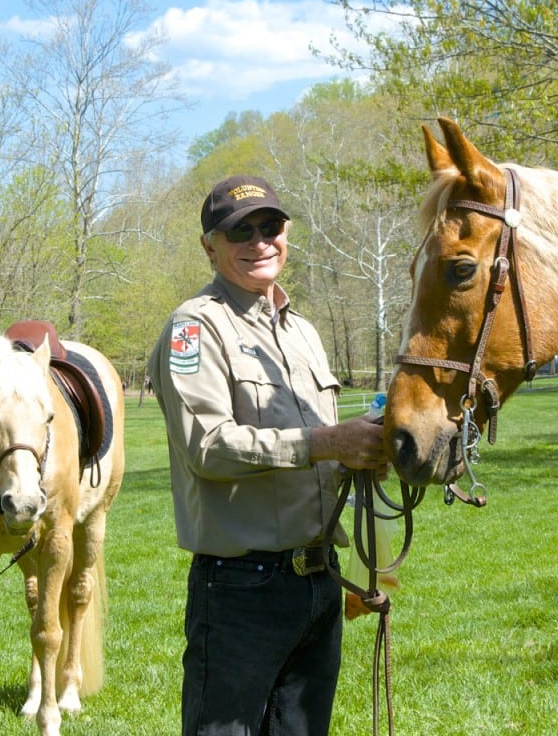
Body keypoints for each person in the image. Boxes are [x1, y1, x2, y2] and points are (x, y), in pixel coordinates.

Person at [148, 174, 389, 736]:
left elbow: (325, 450)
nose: (259, 242)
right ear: (210, 246)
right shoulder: (194, 327)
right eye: (240, 232)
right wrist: (325, 443)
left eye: (270, 226)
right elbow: (205, 445)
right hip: (241, 590)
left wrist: (368, 448)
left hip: (319, 581)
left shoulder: (303, 332)